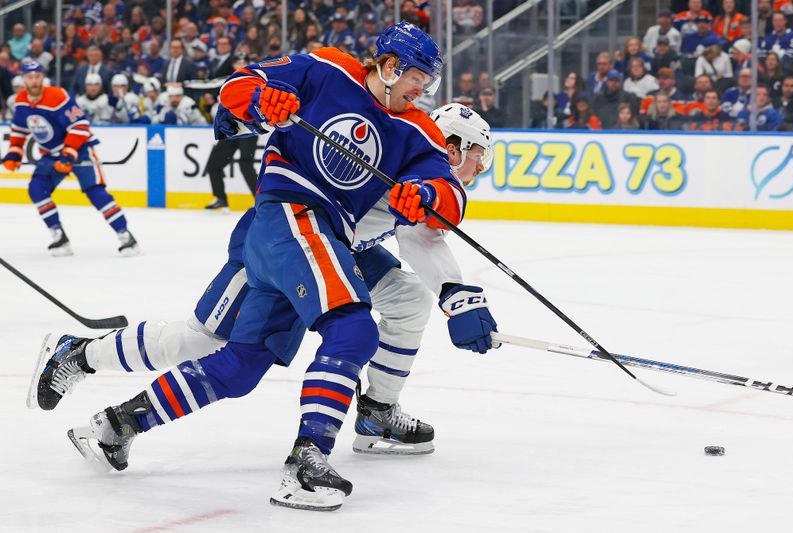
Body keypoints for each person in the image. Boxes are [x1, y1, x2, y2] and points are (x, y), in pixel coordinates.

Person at [58, 23, 498, 511]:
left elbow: (445, 197)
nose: (424, 91)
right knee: (350, 329)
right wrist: (258, 103)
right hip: (289, 216)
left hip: (319, 240)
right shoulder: (327, 69)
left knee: (238, 364)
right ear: (391, 67)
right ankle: (306, 463)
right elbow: (237, 87)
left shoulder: (418, 130)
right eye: (419, 78)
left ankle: (114, 424)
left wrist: (430, 196)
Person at [2, 61, 139, 256]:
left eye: (37, 76)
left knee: (95, 192)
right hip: (50, 155)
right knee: (37, 189)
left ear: (43, 77)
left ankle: (126, 236)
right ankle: (59, 237)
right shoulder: (21, 100)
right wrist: (14, 152)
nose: (34, 81)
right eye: (30, 77)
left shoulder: (57, 96)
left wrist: (68, 154)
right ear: (23, 79)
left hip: (79, 150)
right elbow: (19, 129)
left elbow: (80, 126)